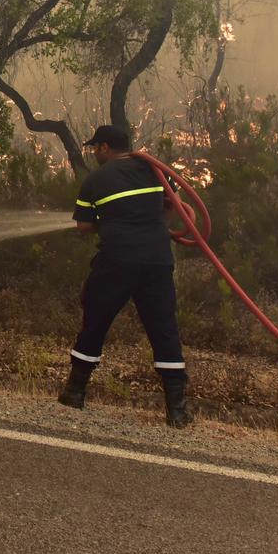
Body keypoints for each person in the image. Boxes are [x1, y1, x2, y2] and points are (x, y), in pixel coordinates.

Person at [60, 124, 192, 427]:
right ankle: (178, 411)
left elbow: (82, 226)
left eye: (96, 148)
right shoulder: (155, 171)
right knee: (164, 329)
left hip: (116, 260)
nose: (94, 153)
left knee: (95, 321)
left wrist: (110, 221)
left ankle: (75, 392)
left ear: (105, 148)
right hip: (157, 261)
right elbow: (172, 206)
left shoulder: (96, 179)